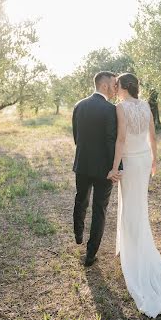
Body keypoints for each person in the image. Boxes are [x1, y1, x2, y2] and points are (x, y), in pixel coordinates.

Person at [107, 72, 161, 318]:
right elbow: (152, 135)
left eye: (116, 84)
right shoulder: (145, 106)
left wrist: (114, 167)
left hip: (131, 161)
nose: (115, 87)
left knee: (132, 205)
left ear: (123, 87)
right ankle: (130, 243)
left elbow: (121, 139)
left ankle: (133, 249)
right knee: (137, 204)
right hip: (144, 159)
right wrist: (155, 160)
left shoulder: (120, 108)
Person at [72, 71, 121, 267]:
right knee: (99, 209)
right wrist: (116, 167)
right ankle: (90, 254)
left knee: (80, 199)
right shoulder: (111, 109)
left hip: (82, 164)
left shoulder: (79, 105)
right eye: (113, 84)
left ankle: (78, 234)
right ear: (104, 86)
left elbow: (77, 136)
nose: (116, 88)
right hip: (104, 169)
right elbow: (111, 140)